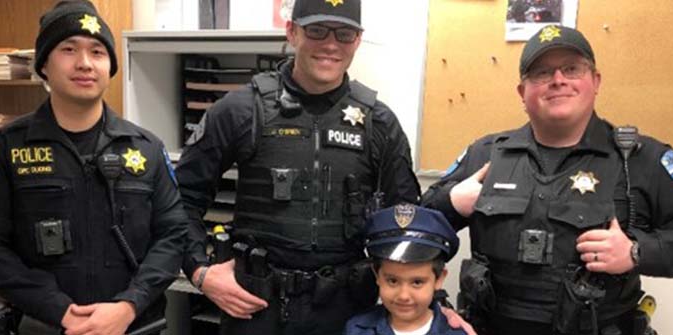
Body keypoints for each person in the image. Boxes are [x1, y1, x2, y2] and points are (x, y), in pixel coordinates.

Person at [173, 0, 464, 333]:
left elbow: (409, 220)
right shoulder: (241, 110)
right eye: (316, 30)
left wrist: (436, 304)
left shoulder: (378, 122)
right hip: (254, 307)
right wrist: (200, 272)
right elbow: (180, 198)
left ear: (357, 40)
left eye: (344, 34)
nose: (330, 44)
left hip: (346, 312)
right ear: (292, 31)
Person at [423, 24, 673, 335]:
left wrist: (637, 251)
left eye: (572, 69)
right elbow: (413, 228)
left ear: (595, 81)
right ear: (522, 92)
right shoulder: (486, 155)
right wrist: (438, 304)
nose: (558, 80)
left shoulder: (640, 159)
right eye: (542, 72)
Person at [0, 1, 200, 334]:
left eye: (98, 52)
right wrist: (61, 311)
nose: (85, 63)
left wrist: (128, 305)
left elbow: (173, 236)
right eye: (69, 49)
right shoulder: (3, 149)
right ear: (44, 63)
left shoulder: (146, 148)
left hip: (132, 325)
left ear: (110, 65)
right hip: (43, 325)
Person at [344, 204, 467, 335]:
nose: (403, 296)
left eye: (417, 282)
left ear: (439, 279)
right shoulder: (356, 330)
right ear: (377, 275)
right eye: (392, 281)